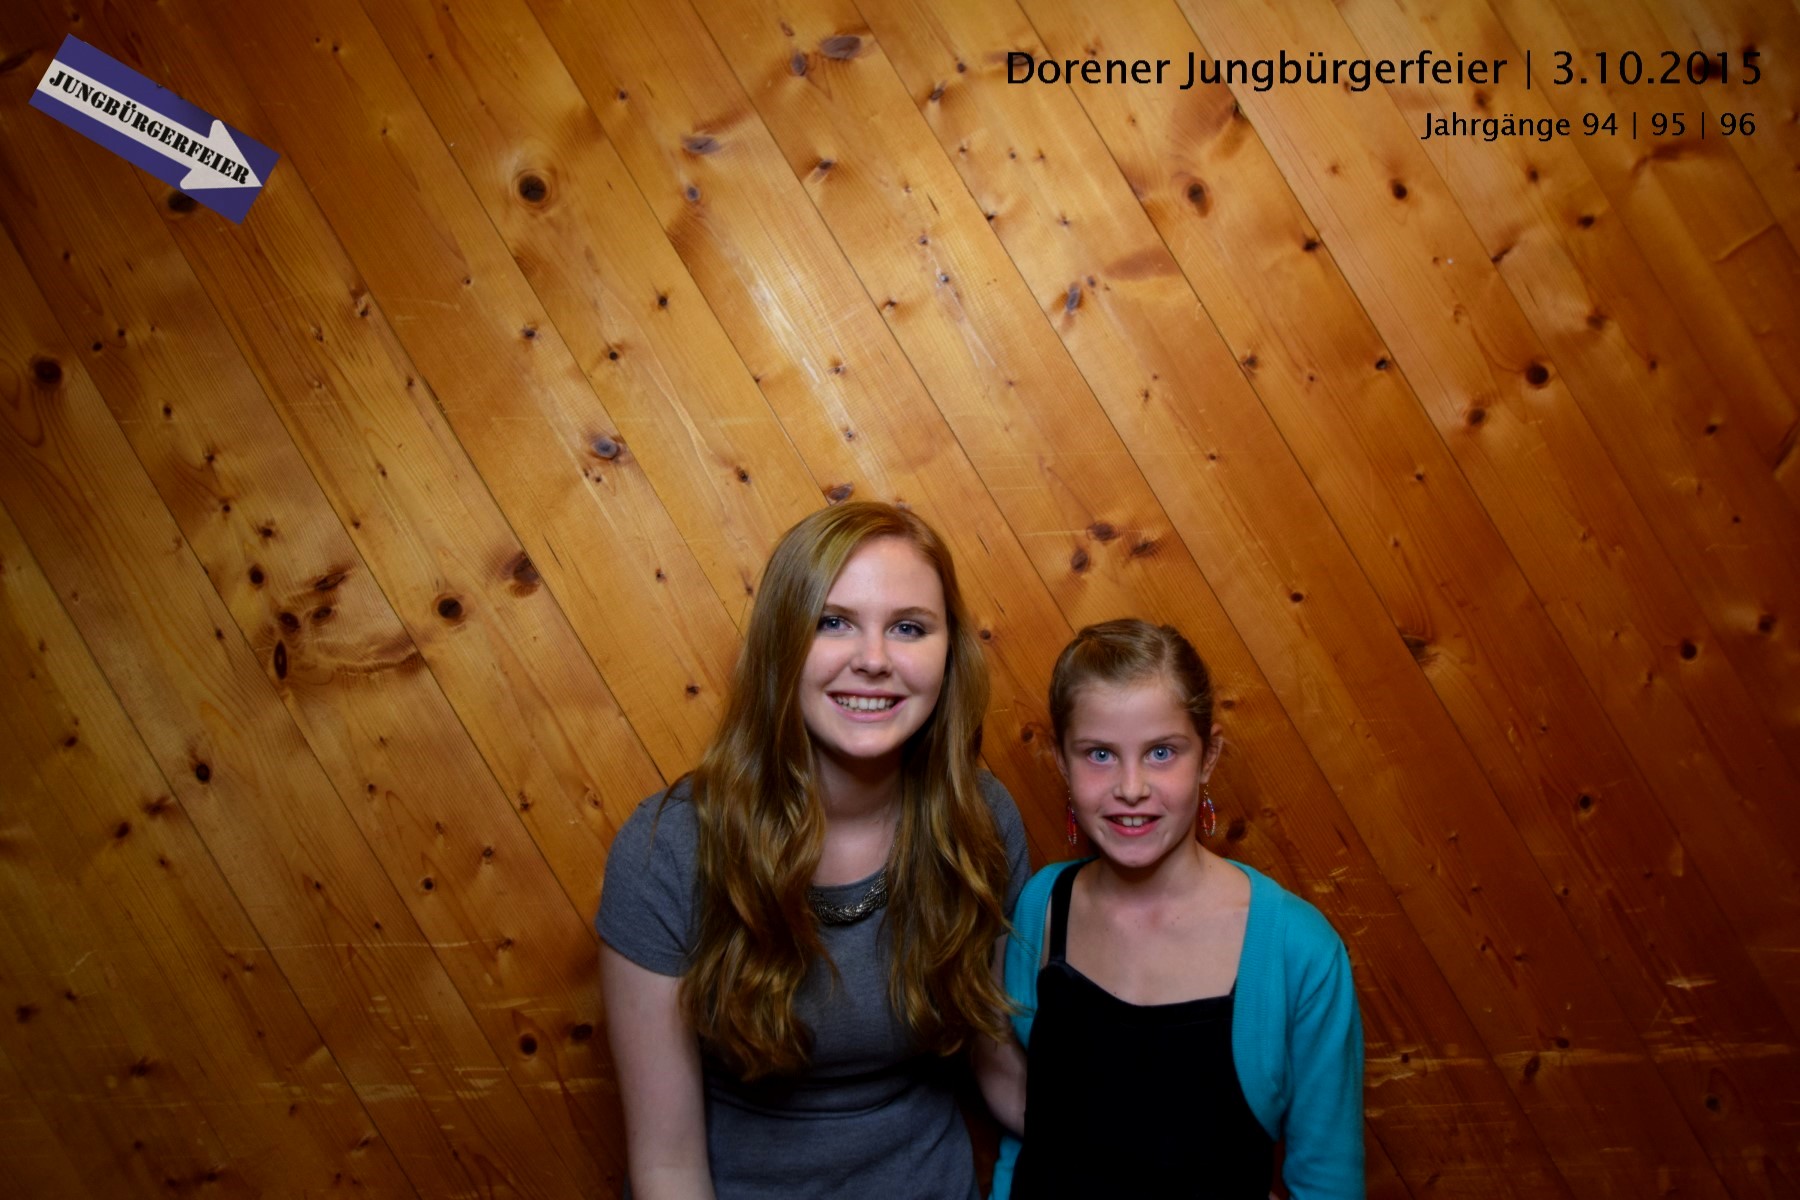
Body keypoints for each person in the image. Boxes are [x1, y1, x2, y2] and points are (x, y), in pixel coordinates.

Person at [597, 501, 1031, 1200]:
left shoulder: (980, 821)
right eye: (833, 622)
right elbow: (667, 1166)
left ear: (950, 654)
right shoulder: (668, 849)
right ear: (780, 644)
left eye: (909, 627)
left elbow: (1000, 1065)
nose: (873, 660)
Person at [984, 619, 1364, 1199]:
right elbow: (1031, 1140)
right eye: (1099, 754)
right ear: (1061, 760)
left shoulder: (1299, 950)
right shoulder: (1041, 906)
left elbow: (1328, 1182)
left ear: (1208, 755)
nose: (1131, 787)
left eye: (1162, 752)